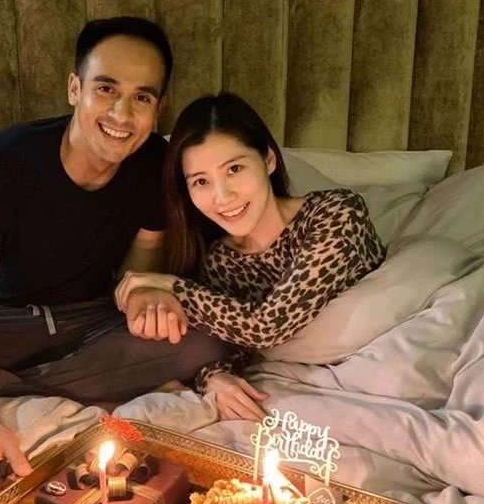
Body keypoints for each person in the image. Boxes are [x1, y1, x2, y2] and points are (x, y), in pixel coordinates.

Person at [0, 17, 233, 499]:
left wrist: (144, 292)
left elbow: (137, 272)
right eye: (106, 89)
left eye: (141, 97)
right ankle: (19, 382)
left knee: (203, 340)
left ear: (157, 109)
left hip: (88, 321)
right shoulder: (1, 163)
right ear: (75, 88)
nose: (122, 114)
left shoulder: (155, 166)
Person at [115, 92, 386, 420]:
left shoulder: (336, 213)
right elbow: (233, 346)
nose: (222, 196)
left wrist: (172, 286)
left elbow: (267, 326)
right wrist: (213, 377)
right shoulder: (222, 260)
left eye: (234, 168)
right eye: (201, 181)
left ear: (268, 160)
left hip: (383, 363)